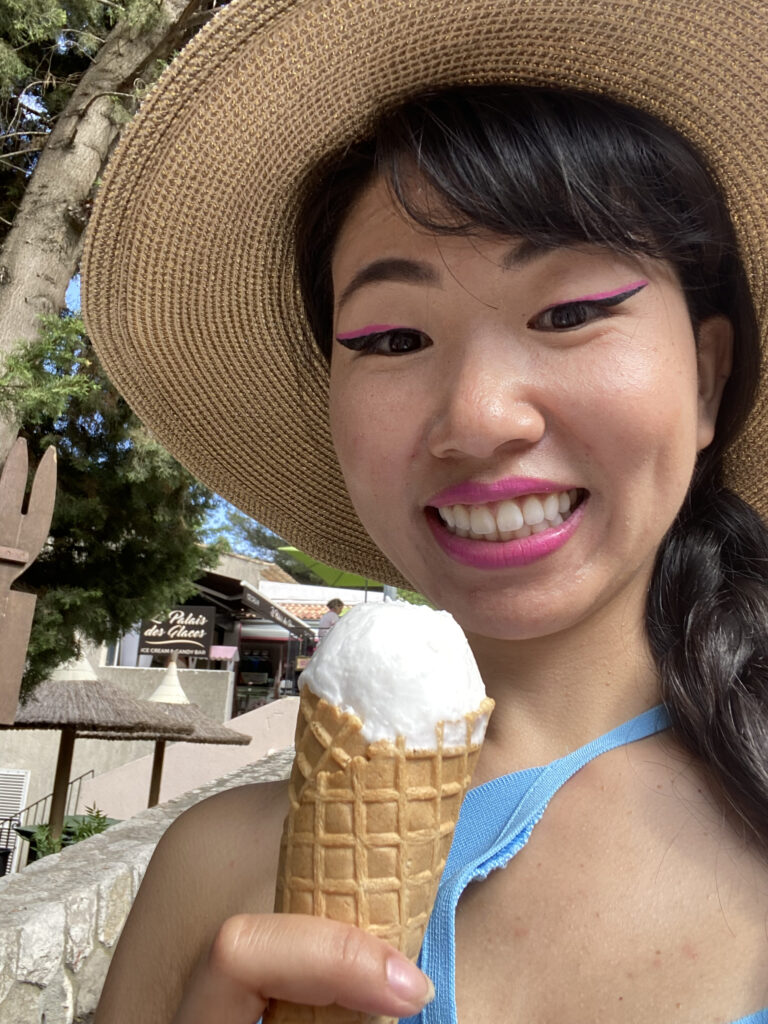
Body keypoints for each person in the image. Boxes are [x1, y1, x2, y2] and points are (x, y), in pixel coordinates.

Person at [82, 1, 768, 1021]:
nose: (478, 418)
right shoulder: (211, 872)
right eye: (393, 339)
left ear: (708, 379)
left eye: (571, 313)